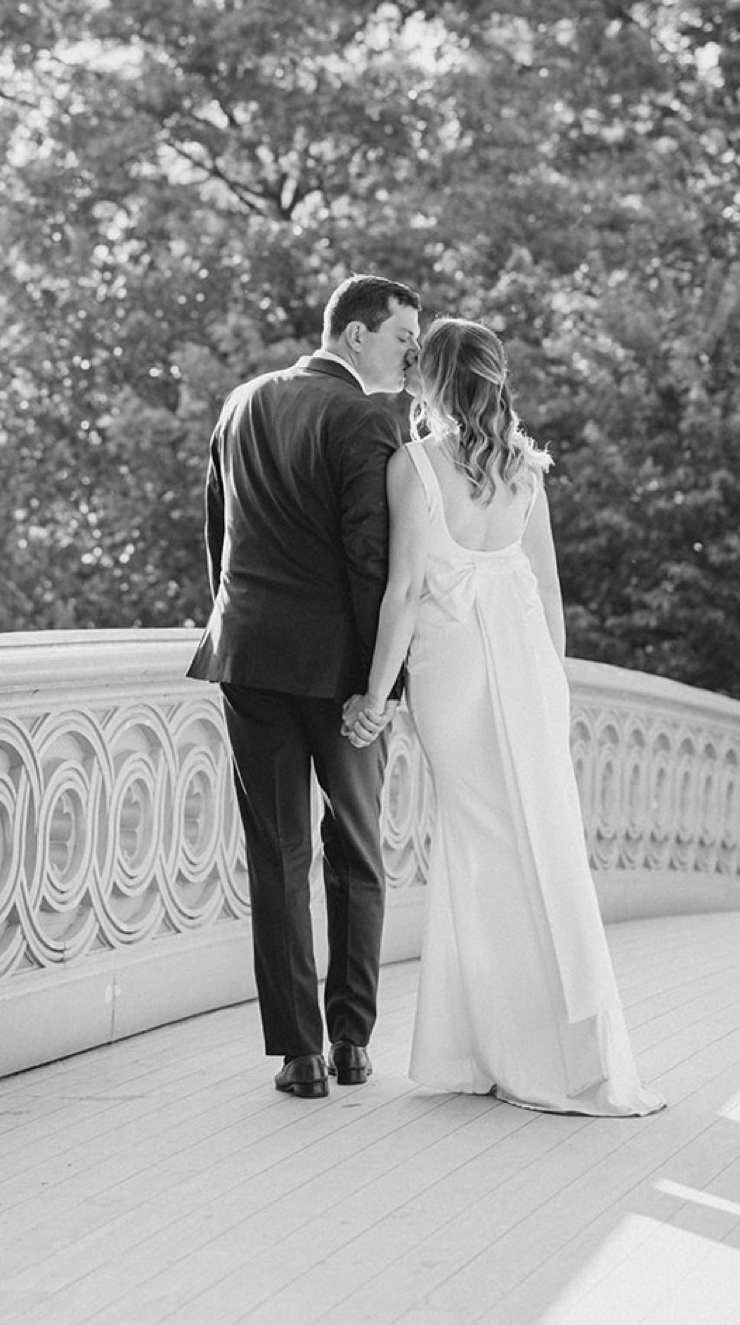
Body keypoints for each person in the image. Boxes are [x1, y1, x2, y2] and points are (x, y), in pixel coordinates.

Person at [345, 318, 663, 1116]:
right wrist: (551, 694)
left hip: (453, 678)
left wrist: (375, 699)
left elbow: (408, 590)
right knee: (537, 849)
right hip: (526, 674)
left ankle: (507, 1047)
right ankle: (525, 1044)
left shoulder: (414, 465)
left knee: (483, 852)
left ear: (434, 381)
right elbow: (546, 592)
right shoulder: (525, 469)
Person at [189, 273, 422, 1099]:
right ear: (356, 336)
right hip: (339, 674)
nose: (412, 354)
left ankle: (301, 1054)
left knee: (277, 851)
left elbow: (217, 536)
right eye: (403, 338)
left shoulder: (240, 403)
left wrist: (230, 624)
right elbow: (372, 560)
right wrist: (381, 688)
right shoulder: (367, 419)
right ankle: (354, 1041)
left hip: (247, 655)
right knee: (356, 848)